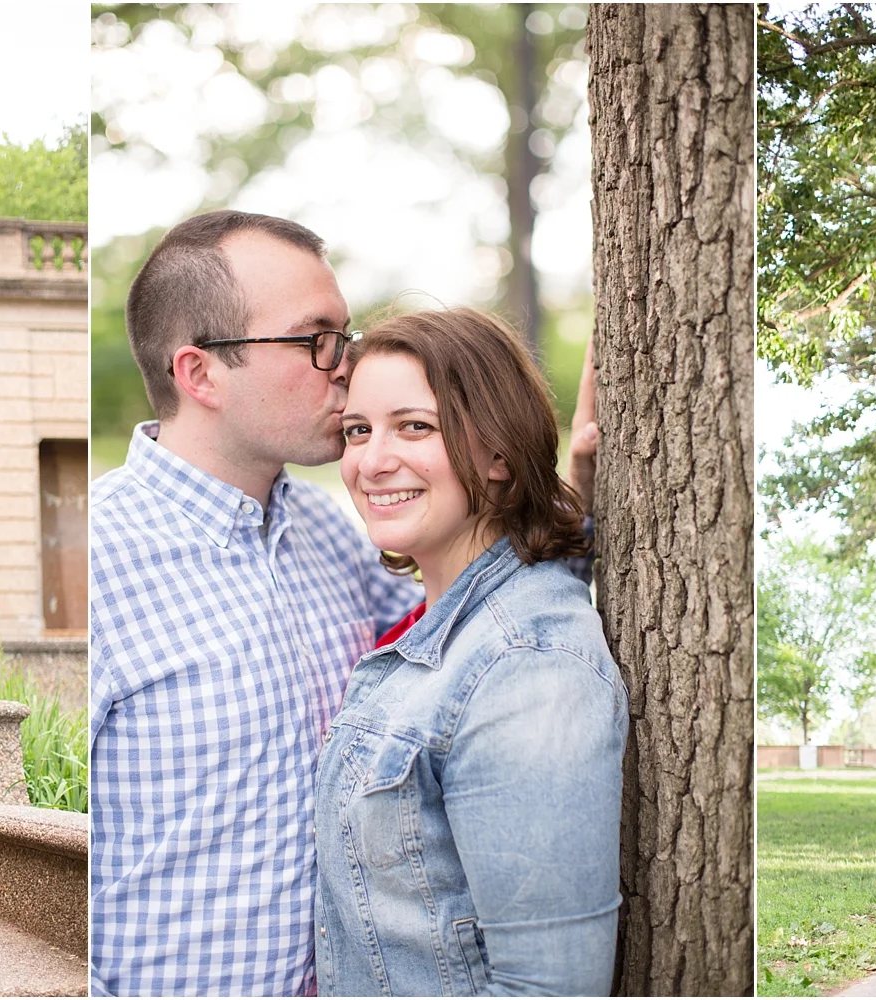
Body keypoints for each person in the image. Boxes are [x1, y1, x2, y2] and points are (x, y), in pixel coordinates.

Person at [90, 211, 601, 995]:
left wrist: (571, 495)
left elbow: (479, 614)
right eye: (316, 339)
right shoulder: (100, 557)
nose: (345, 363)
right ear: (201, 374)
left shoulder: (329, 530)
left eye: (346, 334)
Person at [314, 308, 626, 996]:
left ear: (499, 455)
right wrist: (579, 492)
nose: (372, 461)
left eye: (414, 426)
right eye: (358, 430)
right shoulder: (451, 622)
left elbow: (548, 988)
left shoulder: (529, 669)